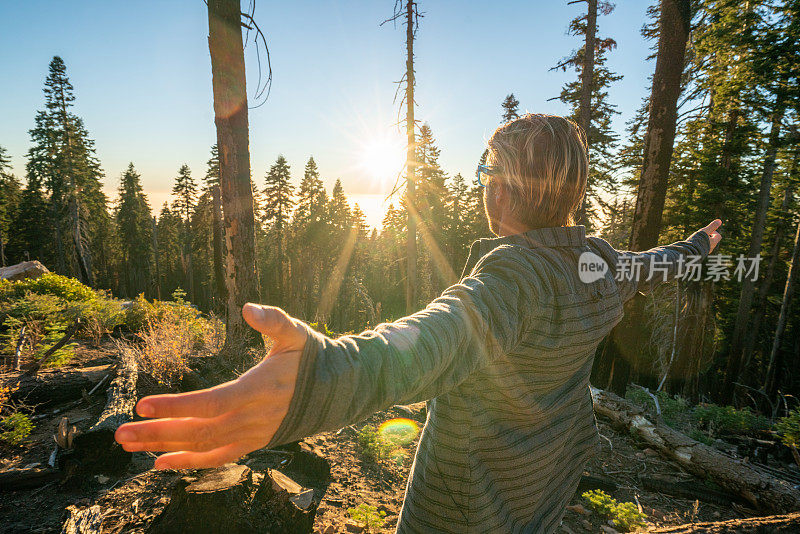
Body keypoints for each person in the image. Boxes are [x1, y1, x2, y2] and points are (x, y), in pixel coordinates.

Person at [116, 114, 722, 533]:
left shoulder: (514, 278)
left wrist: (326, 372)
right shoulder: (599, 265)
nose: (484, 183)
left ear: (507, 191)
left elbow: (435, 338)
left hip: (463, 508)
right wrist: (696, 247)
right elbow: (653, 265)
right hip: (544, 482)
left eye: (489, 172)